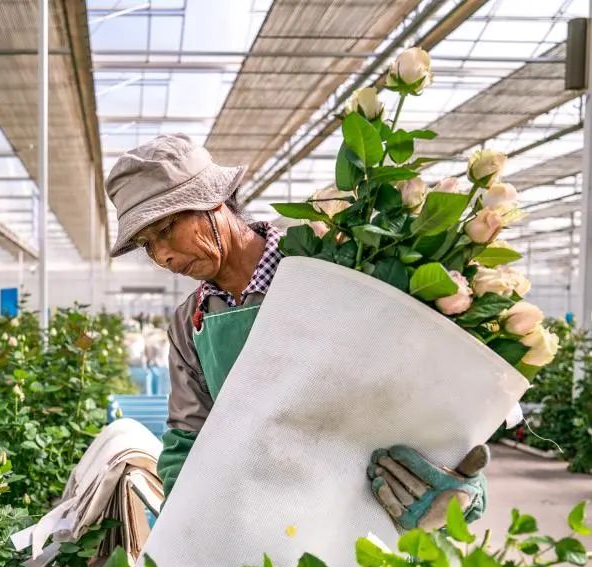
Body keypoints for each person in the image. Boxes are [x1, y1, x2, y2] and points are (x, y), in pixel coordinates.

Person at [105, 133, 488, 530]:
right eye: (147, 244)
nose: (163, 256)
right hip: (267, 526)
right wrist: (181, 529)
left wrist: (454, 472)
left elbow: (425, 384)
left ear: (212, 198)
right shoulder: (191, 323)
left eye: (167, 228)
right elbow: (188, 436)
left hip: (372, 516)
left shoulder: (331, 263)